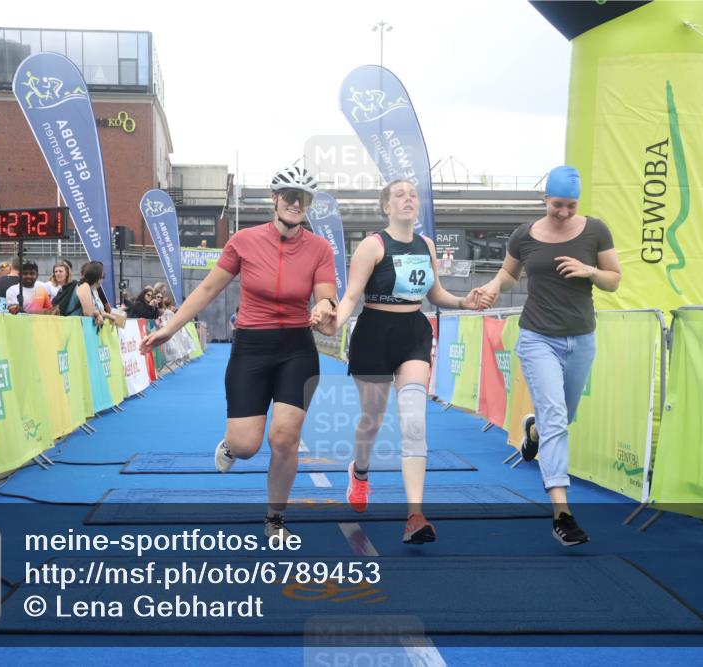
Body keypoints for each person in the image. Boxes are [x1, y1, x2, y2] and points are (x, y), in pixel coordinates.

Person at [140, 166, 337, 539]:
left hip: (298, 348)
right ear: (274, 199)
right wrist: (169, 328)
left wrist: (325, 308)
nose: (295, 203)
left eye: (303, 198)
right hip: (251, 348)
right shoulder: (244, 241)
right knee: (248, 445)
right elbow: (208, 290)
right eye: (289, 195)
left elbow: (327, 296)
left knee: (284, 437)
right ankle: (231, 445)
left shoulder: (319, 248)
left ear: (308, 205)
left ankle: (275, 518)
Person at [314, 179, 485, 544]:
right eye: (399, 195)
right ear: (386, 207)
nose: (408, 199)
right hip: (375, 335)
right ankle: (359, 473)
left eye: (413, 195)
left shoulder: (426, 246)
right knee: (372, 420)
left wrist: (462, 302)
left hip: (413, 333)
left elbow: (435, 292)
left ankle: (415, 515)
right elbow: (351, 297)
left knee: (414, 421)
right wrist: (334, 322)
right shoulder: (372, 246)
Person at [476, 165, 622, 546]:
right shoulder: (524, 235)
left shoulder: (596, 230)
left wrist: (588, 270)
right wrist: (493, 286)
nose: (563, 213)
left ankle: (534, 431)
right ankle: (562, 513)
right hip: (537, 337)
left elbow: (614, 279)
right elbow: (509, 275)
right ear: (544, 200)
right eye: (557, 205)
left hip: (581, 338)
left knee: (563, 416)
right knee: (557, 415)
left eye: (571, 206)